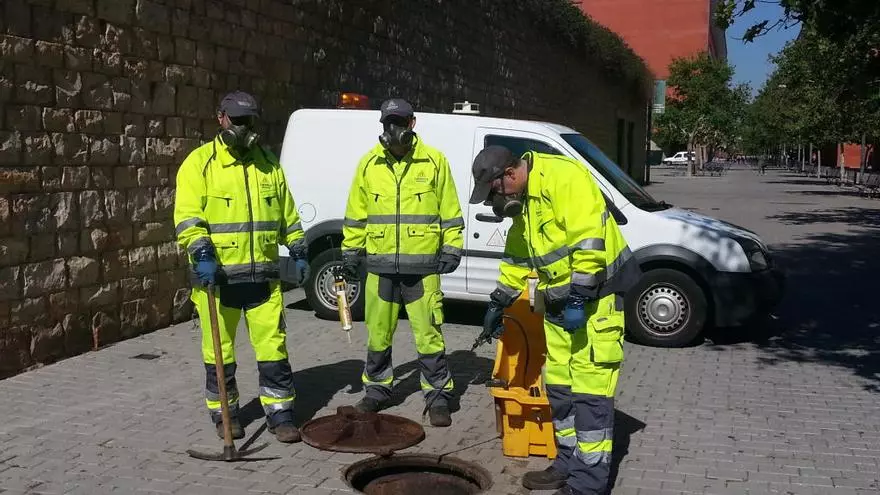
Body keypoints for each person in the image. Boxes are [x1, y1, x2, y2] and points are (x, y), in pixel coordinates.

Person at [469, 146, 641, 495]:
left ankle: (587, 485)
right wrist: (499, 301)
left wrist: (580, 295)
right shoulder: (524, 201)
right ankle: (566, 462)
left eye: (495, 191)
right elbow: (518, 256)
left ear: (510, 174)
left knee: (590, 395)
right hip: (559, 302)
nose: (495, 201)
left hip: (597, 299)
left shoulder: (564, 178)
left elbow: (589, 241)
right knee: (560, 389)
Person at [174, 90, 309, 443]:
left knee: (273, 349)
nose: (244, 127)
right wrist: (202, 253)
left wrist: (298, 249)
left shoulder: (269, 164)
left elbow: (287, 216)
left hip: (263, 279)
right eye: (237, 120)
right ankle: (226, 414)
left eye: (249, 120)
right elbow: (188, 218)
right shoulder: (199, 164)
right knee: (219, 353)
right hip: (217, 280)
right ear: (221, 118)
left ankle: (281, 414)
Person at [340, 98, 465, 427]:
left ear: (412, 123)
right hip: (380, 267)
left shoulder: (434, 162)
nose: (392, 129)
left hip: (423, 269)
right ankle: (377, 390)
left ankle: (438, 396)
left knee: (429, 334)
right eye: (387, 123)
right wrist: (351, 251)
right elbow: (356, 215)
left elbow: (451, 212)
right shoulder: (369, 164)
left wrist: (452, 248)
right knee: (378, 333)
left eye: (398, 122)